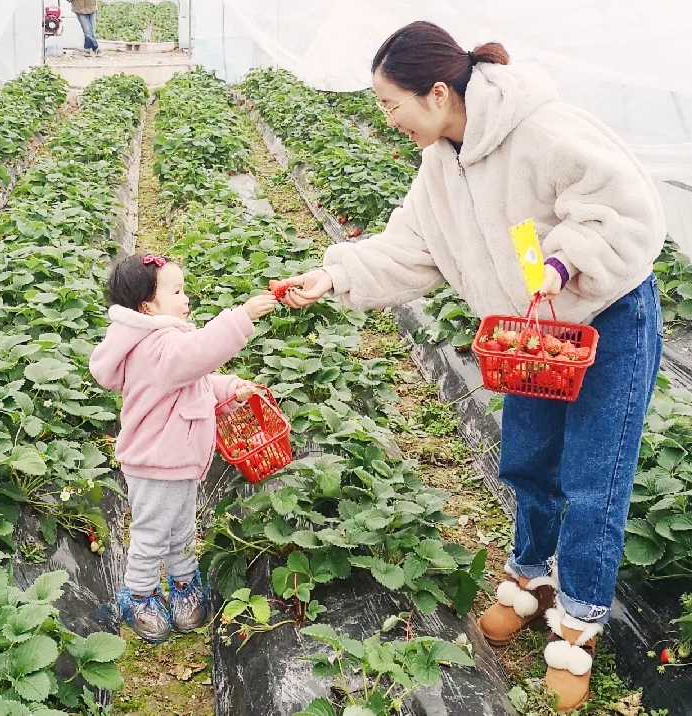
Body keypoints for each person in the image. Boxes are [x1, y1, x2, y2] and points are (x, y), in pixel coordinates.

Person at [280, 21, 665, 713]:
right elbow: (411, 249)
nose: (385, 117)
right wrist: (332, 278)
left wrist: (563, 260)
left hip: (608, 320)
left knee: (593, 481)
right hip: (530, 335)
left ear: (436, 92)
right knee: (527, 458)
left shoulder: (543, 129)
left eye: (390, 103)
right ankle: (528, 582)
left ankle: (577, 627)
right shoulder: (441, 163)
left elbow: (626, 208)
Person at [89, 253, 278, 643]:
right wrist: (242, 316)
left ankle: (183, 585)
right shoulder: (158, 347)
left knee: (179, 529)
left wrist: (231, 389)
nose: (185, 297)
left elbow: (198, 381)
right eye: (176, 291)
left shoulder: (163, 345)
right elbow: (198, 355)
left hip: (177, 462)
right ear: (147, 307)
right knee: (152, 534)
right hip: (158, 464)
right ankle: (138, 595)